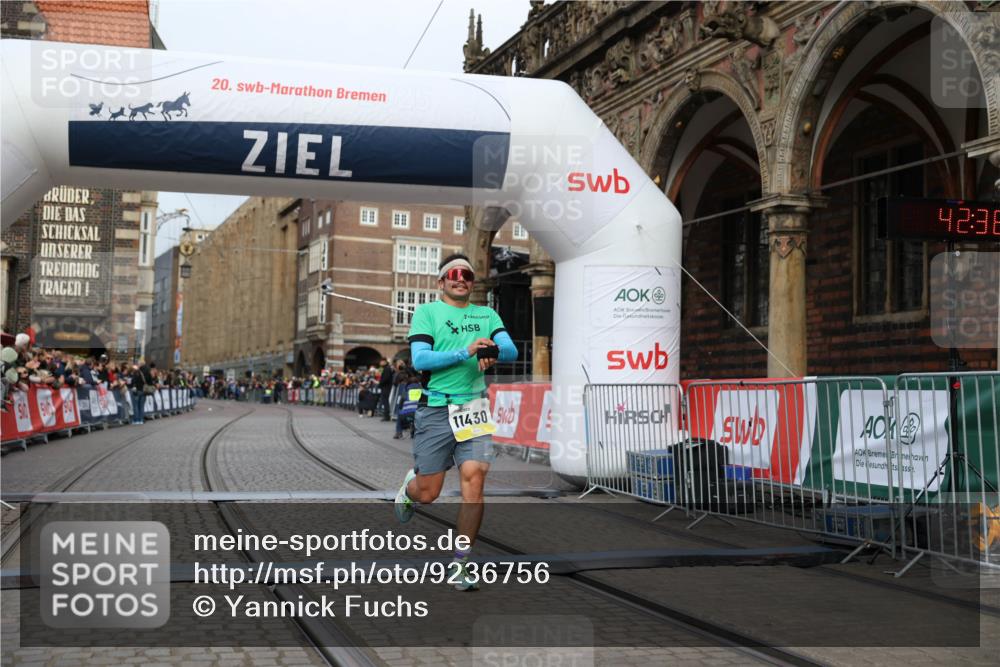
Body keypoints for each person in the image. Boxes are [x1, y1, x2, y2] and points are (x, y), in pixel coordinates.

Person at [393, 253, 517, 590]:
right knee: (428, 493)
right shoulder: (427, 312)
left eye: (467, 275)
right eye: (453, 274)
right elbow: (420, 358)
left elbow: (510, 351)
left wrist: (490, 349)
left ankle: (460, 565)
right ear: (441, 281)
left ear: (472, 283)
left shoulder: (486, 313)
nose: (460, 279)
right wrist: (466, 351)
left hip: (473, 408)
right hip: (435, 408)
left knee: (474, 480)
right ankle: (408, 489)